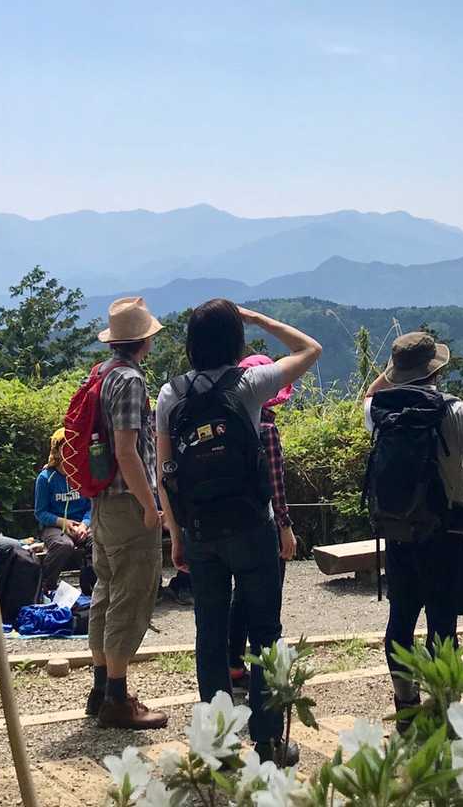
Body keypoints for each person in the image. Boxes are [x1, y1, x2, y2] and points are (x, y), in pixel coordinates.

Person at [157, 301, 321, 763]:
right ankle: (268, 741)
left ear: (191, 343)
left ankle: (218, 743)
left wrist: (176, 533)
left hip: (200, 530)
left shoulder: (170, 394)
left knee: (209, 633)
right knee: (265, 632)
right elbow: (310, 349)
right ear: (236, 340)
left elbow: (165, 472)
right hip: (252, 526)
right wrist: (259, 319)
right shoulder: (249, 384)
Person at [363, 332, 463, 729]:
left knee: (401, 618)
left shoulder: (378, 410)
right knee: (442, 622)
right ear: (435, 370)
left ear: (397, 370)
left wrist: (390, 374)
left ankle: (405, 705)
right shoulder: (454, 409)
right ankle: (444, 707)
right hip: (445, 531)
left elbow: (369, 393)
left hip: (398, 530)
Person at [86, 296, 168, 730]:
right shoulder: (131, 380)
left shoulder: (100, 373)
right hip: (127, 504)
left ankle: (100, 689)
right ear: (144, 340)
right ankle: (117, 699)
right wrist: (150, 506)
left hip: (101, 503)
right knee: (131, 597)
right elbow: (126, 450)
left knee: (105, 591)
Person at [226, 353, 297, 692]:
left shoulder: (229, 420)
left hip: (228, 523)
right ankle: (265, 679)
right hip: (261, 525)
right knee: (267, 602)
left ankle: (232, 665)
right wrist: (285, 527)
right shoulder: (266, 428)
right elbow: (275, 485)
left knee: (240, 596)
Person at [35, 428, 95, 601]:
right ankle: (46, 586)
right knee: (63, 545)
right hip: (54, 526)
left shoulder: (82, 475)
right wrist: (63, 522)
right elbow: (40, 513)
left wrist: (84, 524)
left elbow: (91, 506)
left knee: (98, 541)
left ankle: (91, 585)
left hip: (82, 524)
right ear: (57, 451)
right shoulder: (45, 478)